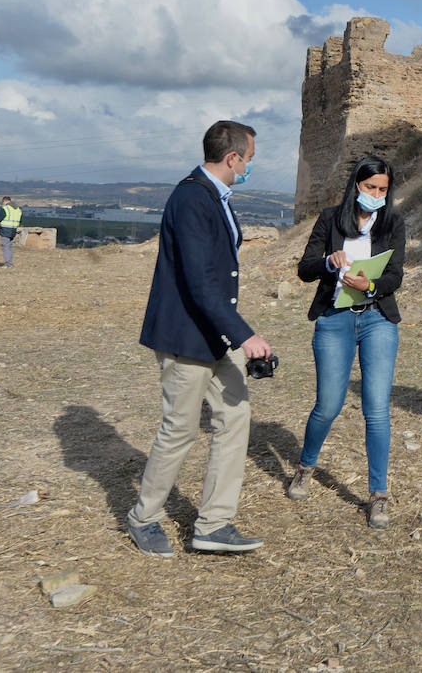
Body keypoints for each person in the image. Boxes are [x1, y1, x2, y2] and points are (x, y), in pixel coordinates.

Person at [126, 120, 272, 557]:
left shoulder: (216, 196)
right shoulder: (192, 198)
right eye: (249, 160)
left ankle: (213, 523)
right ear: (233, 158)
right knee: (180, 430)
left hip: (213, 333)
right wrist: (245, 336)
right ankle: (143, 518)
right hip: (186, 336)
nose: (250, 167)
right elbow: (199, 281)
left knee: (235, 415)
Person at [286, 157, 406, 530]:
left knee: (377, 409)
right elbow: (305, 269)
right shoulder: (330, 218)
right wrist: (327, 262)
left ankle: (378, 495)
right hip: (334, 319)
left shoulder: (393, 222)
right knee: (328, 406)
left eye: (383, 189)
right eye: (370, 187)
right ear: (356, 185)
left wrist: (369, 285)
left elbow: (395, 276)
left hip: (376, 319)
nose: (376, 195)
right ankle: (306, 466)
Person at [0, 196, 22, 269]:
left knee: (5, 247)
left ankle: (8, 264)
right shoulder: (18, 209)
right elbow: (20, 220)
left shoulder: (5, 208)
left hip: (5, 229)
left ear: (5, 201)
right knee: (10, 247)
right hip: (13, 230)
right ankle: (10, 262)